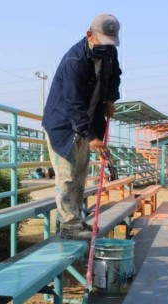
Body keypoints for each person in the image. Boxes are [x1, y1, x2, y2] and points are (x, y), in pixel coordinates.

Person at [42, 14, 122, 240]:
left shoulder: (108, 53)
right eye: (102, 41)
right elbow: (74, 104)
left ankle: (77, 220)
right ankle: (69, 225)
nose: (106, 47)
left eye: (110, 43)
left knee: (80, 175)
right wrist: (92, 137)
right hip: (63, 126)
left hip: (88, 122)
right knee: (66, 177)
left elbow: (115, 76)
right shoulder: (74, 61)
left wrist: (110, 98)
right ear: (89, 35)